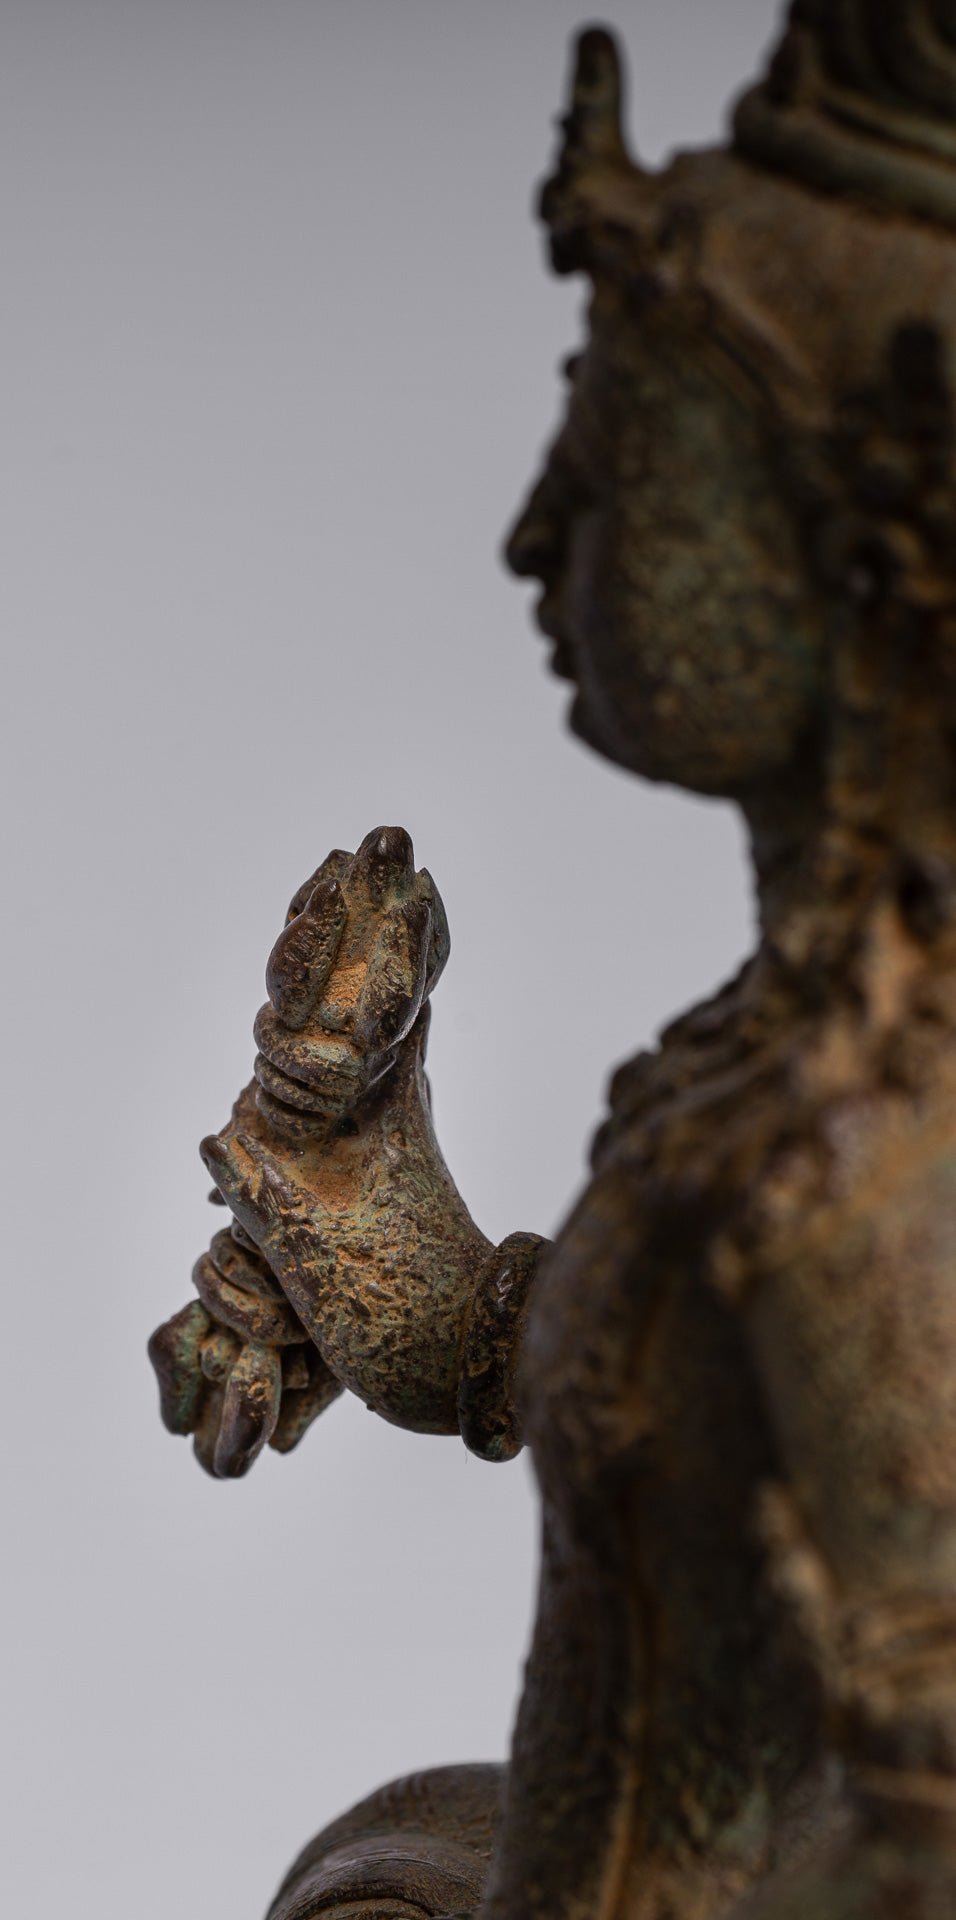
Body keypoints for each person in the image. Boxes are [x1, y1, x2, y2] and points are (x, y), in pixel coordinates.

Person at [151, 8, 956, 1914]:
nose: (536, 534)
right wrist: (358, 1206)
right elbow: (653, 1419)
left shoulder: (872, 1181)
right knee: (380, 1861)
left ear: (847, 545)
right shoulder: (804, 1068)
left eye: (627, 465)